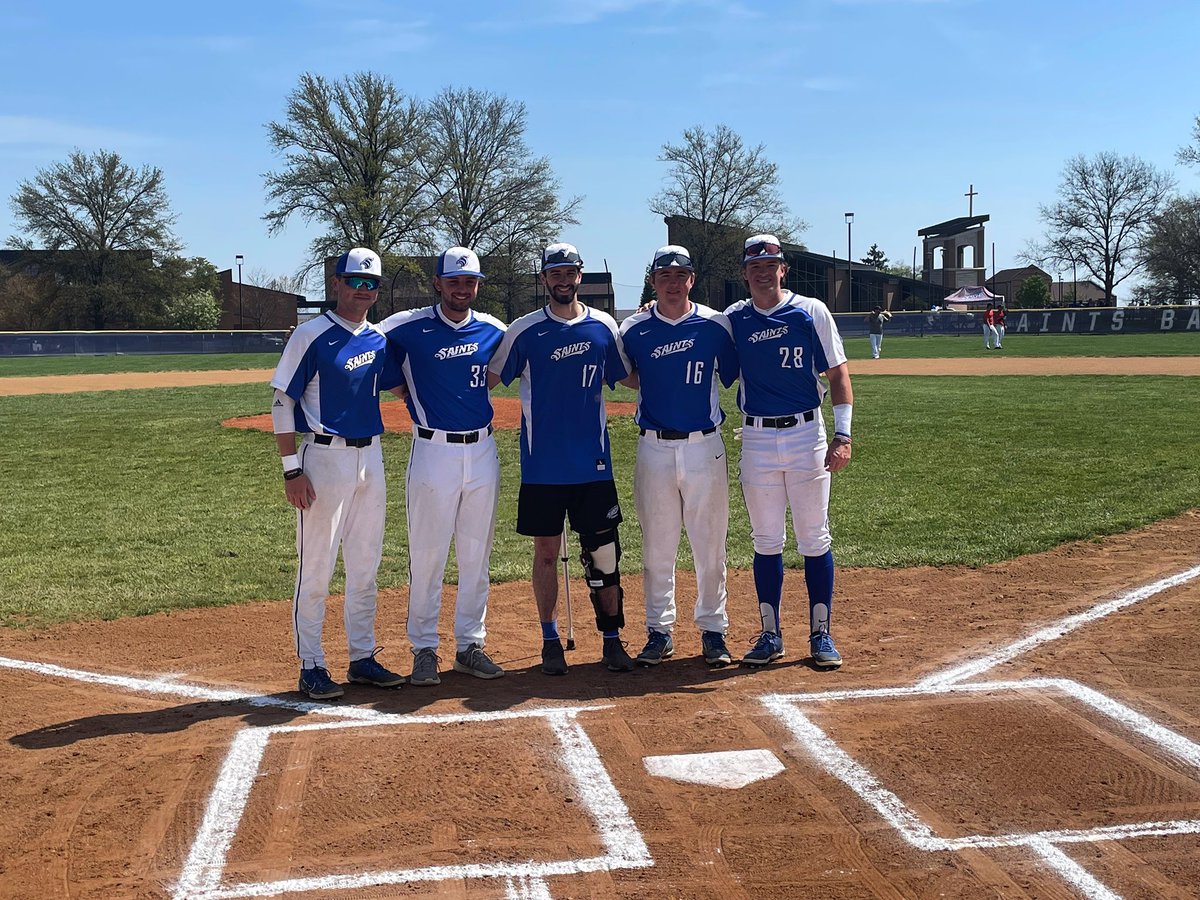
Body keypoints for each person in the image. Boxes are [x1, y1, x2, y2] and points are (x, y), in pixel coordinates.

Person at [489, 242, 635, 675]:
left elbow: (627, 377)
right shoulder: (524, 330)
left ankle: (612, 637)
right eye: (555, 273)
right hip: (543, 467)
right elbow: (490, 376)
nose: (563, 279)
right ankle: (549, 639)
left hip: (593, 464)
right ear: (544, 279)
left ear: (580, 275)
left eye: (570, 272)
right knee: (547, 553)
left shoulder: (604, 326)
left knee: (604, 553)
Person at [270, 247, 407, 700]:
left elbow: (401, 383)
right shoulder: (310, 334)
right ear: (335, 283)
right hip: (323, 460)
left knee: (366, 565)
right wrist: (292, 470)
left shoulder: (378, 339)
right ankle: (311, 664)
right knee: (317, 567)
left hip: (371, 459)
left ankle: (362, 657)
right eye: (354, 281)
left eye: (371, 284)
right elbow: (281, 403)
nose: (362, 291)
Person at [379, 247, 507, 687]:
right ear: (437, 283)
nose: (461, 289)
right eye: (453, 281)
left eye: (469, 282)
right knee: (428, 553)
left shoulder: (494, 330)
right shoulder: (407, 326)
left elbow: (523, 351)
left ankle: (470, 644)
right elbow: (363, 336)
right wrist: (407, 392)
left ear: (477, 285)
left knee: (476, 554)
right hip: (433, 451)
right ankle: (424, 648)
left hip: (483, 451)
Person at [725, 235, 853, 669]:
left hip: (806, 433)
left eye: (772, 264)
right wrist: (650, 309)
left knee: (814, 537)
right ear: (744, 273)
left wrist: (843, 435)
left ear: (783, 270)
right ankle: (770, 633)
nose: (763, 271)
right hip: (757, 438)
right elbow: (694, 329)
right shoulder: (733, 318)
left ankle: (821, 633)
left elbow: (837, 375)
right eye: (755, 266)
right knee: (766, 541)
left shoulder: (811, 310)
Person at [619, 245, 739, 668]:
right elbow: (627, 375)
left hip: (704, 445)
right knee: (657, 546)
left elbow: (734, 371)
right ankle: (659, 630)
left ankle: (713, 630)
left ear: (692, 280)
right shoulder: (632, 328)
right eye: (664, 275)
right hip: (653, 446)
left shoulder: (715, 324)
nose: (673, 281)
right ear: (653, 280)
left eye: (680, 274)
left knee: (710, 544)